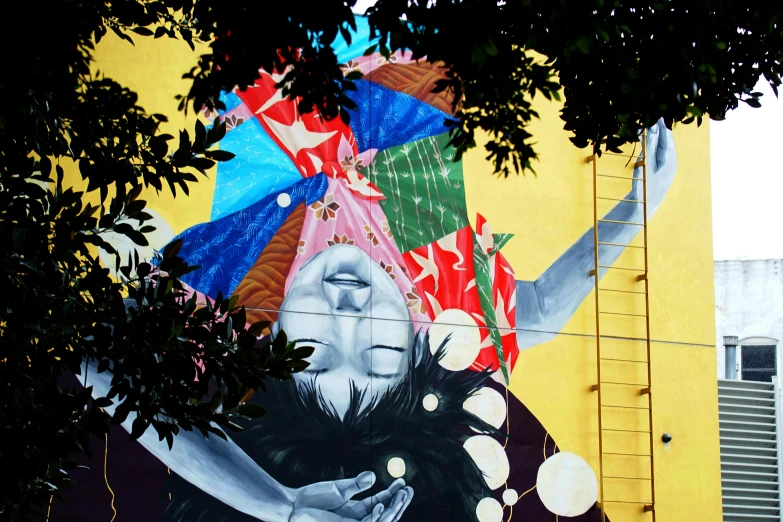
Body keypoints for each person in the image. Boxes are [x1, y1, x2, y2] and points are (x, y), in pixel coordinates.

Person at [82, 15, 676, 521]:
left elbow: (102, 364)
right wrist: (636, 208)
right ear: (416, 341)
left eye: (314, 351)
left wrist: (277, 504)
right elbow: (542, 309)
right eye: (379, 354)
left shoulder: (229, 290)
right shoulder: (443, 296)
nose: (348, 312)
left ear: (272, 339)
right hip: (410, 37)